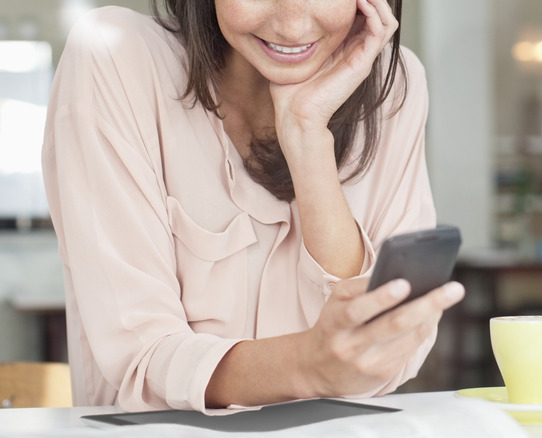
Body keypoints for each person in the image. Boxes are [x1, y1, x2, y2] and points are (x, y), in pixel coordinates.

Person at [41, 0, 464, 412]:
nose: (293, 26)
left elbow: (388, 348)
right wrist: (308, 366)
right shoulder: (115, 55)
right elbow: (139, 360)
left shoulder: (393, 86)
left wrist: (307, 135)